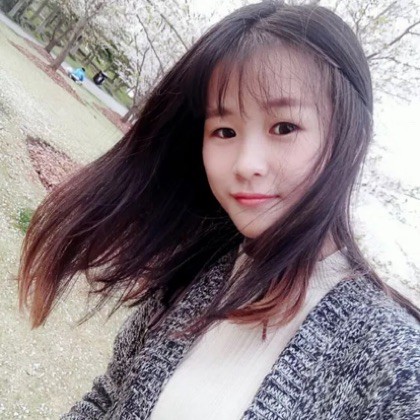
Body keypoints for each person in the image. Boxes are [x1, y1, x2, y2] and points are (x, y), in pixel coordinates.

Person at [18, 2, 420, 419]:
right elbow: (111, 395)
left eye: (284, 127)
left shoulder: (398, 370)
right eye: (224, 131)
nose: (246, 164)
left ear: (350, 139)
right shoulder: (199, 270)